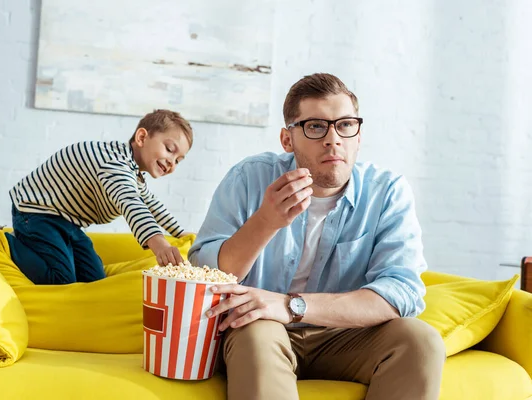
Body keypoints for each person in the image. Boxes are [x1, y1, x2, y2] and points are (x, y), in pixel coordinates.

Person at [189, 73, 445, 399]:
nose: (333, 139)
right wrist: (266, 221)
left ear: (358, 136)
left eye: (345, 125)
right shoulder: (248, 178)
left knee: (420, 341)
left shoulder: (387, 192)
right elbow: (204, 277)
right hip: (262, 328)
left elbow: (400, 293)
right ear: (287, 140)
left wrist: (291, 305)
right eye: (315, 126)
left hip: (346, 335)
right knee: (255, 335)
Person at [6, 109, 193, 285]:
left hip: (67, 221)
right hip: (35, 212)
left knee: (94, 278)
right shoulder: (114, 164)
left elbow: (151, 204)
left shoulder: (133, 173)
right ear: (142, 137)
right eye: (169, 149)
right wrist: (159, 243)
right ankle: (6, 242)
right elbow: (131, 203)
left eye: (178, 160)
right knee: (62, 279)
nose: (171, 163)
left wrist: (182, 234)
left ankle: (59, 249)